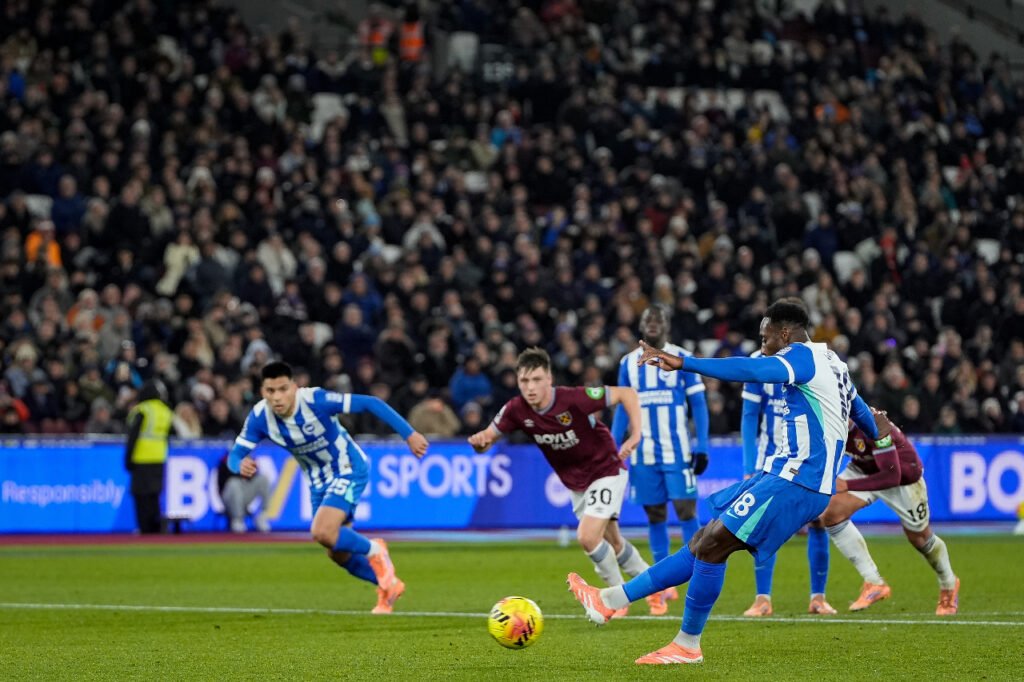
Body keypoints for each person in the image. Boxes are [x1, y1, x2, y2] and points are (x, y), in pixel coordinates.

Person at [567, 299, 886, 665]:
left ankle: (687, 645)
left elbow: (747, 371)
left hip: (797, 481)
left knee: (713, 546)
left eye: (765, 338)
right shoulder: (833, 361)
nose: (761, 346)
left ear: (785, 333)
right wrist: (878, 433)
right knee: (705, 538)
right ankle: (608, 601)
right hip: (781, 474)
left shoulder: (802, 358)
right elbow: (863, 414)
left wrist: (684, 363)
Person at [468, 348, 663, 617]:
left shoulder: (573, 399)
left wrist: (636, 434)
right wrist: (479, 443)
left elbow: (626, 394)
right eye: (524, 381)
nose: (530, 388)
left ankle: (616, 597)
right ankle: (657, 589)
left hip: (606, 470)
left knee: (587, 536)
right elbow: (487, 439)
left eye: (536, 379)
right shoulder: (516, 409)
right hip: (577, 484)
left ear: (549, 379)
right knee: (614, 542)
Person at [228, 361, 428, 614]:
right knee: (336, 551)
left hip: (348, 468)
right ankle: (387, 585)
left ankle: (376, 549)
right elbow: (235, 455)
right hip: (317, 481)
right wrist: (239, 464)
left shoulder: (316, 400)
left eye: (282, 389)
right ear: (262, 392)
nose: (277, 397)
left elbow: (370, 403)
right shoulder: (260, 417)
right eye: (270, 391)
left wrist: (409, 434)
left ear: (294, 387)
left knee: (322, 531)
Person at [611, 305, 709, 616]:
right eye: (647, 320)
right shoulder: (627, 363)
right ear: (640, 326)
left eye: (658, 320)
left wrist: (702, 445)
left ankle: (695, 572)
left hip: (676, 450)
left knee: (685, 509)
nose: (652, 324)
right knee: (654, 515)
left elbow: (699, 404)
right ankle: (665, 582)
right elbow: (620, 408)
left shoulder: (681, 357)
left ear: (667, 325)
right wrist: (613, 447)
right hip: (642, 453)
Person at [820, 413, 960, 615]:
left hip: (903, 478)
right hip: (863, 468)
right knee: (831, 514)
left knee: (920, 539)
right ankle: (874, 583)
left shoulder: (875, 423)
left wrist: (847, 485)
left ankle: (948, 584)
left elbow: (892, 475)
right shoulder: (828, 419)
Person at [740, 347, 835, 617]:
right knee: (765, 524)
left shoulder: (814, 360)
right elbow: (749, 415)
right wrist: (749, 467)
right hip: (770, 457)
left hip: (809, 455)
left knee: (818, 520)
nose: (762, 340)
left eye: (766, 334)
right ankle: (762, 599)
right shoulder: (758, 363)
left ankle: (818, 598)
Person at [124, 380, 174, 534]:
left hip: (141, 457)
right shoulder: (165, 411)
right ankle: (155, 527)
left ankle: (144, 528)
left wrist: (128, 458)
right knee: (154, 495)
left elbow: (133, 436)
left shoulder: (142, 410)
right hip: (159, 457)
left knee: (141, 496)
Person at [217, 453, 272, 533]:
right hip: (229, 497)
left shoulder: (248, 457)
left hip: (245, 493)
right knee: (234, 483)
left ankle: (262, 516)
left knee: (263, 479)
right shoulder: (226, 459)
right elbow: (222, 483)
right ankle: (237, 520)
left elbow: (253, 474)